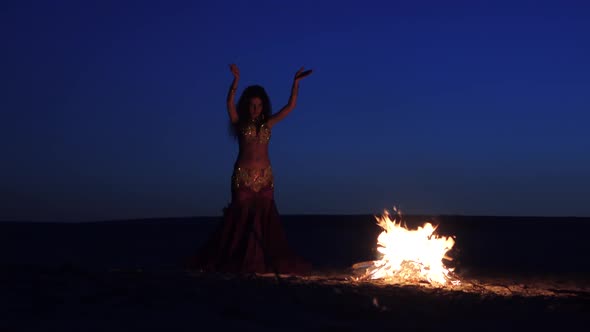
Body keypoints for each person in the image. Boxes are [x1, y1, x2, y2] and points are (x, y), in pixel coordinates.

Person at [188, 64, 313, 275]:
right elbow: (229, 104)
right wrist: (235, 82)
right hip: (243, 178)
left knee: (265, 223)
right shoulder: (238, 123)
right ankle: (235, 260)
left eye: (259, 105)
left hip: (265, 178)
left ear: (263, 106)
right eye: (252, 105)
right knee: (239, 222)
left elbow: (290, 107)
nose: (255, 108)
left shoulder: (269, 124)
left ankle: (262, 262)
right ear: (247, 106)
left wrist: (296, 84)